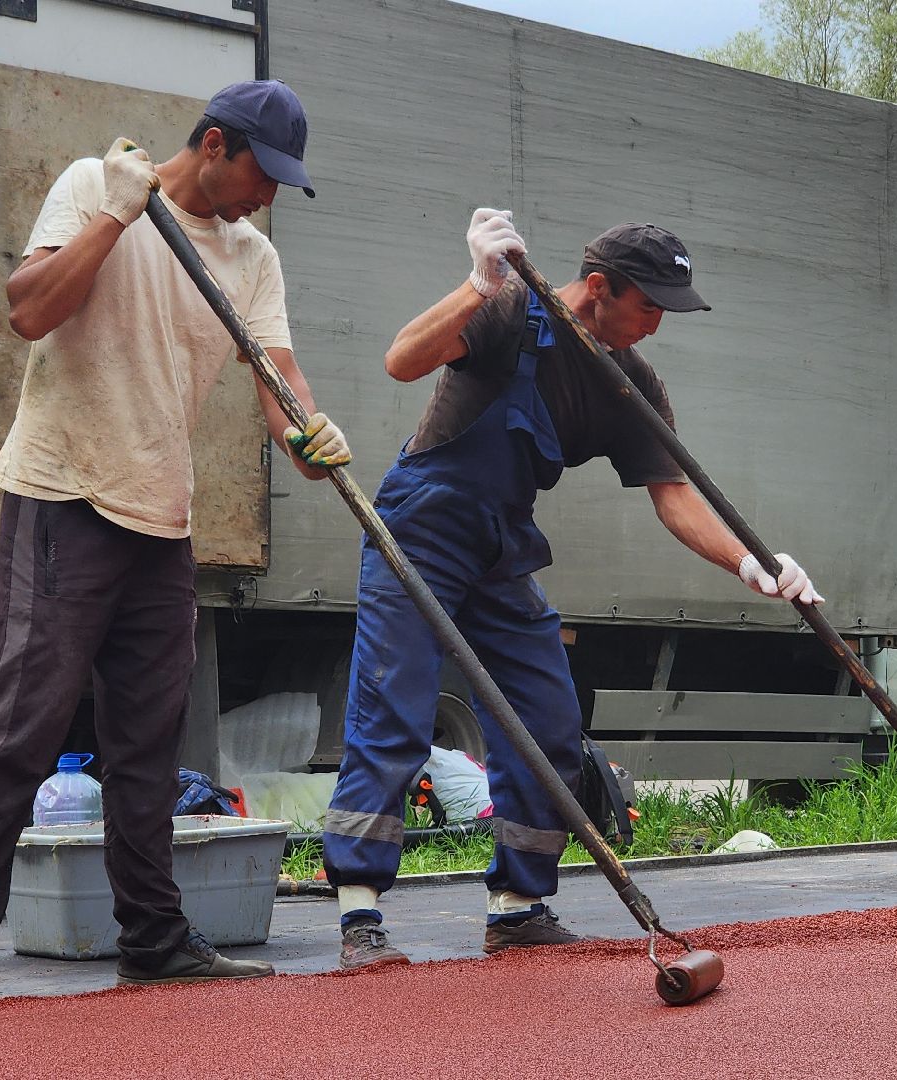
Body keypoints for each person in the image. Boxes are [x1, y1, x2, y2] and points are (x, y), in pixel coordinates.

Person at [0, 80, 350, 1002]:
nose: (266, 195)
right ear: (216, 144)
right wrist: (115, 216)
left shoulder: (252, 256)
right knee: (24, 727)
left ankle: (152, 937)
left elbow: (279, 384)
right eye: (261, 174)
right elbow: (29, 311)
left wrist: (315, 439)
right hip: (65, 492)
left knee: (149, 743)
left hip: (161, 517)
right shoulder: (92, 186)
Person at [323, 211, 824, 969]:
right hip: (419, 531)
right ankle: (359, 915)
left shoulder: (630, 381)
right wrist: (473, 284)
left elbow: (674, 493)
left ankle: (517, 910)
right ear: (599, 288)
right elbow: (401, 359)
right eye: (649, 305)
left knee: (549, 719)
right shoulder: (508, 315)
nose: (659, 323)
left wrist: (752, 564)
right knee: (395, 707)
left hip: (500, 548)